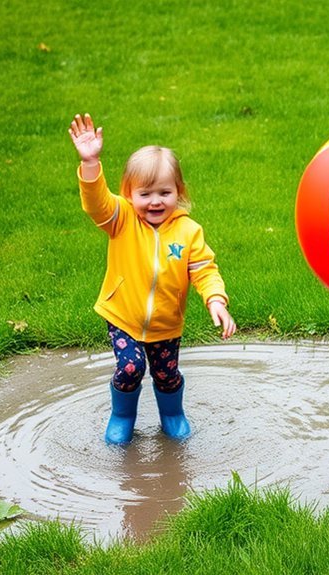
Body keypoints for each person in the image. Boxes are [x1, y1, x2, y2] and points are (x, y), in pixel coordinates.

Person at [68, 113, 236, 445]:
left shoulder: (189, 231)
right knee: (130, 369)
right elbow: (96, 205)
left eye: (164, 192)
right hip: (124, 317)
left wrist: (216, 300)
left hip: (166, 322)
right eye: (145, 194)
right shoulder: (121, 219)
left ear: (179, 192)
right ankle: (122, 415)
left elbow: (204, 269)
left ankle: (172, 415)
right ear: (128, 194)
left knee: (167, 374)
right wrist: (90, 163)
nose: (155, 201)